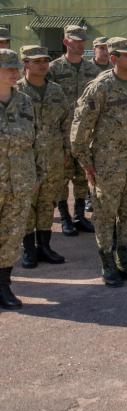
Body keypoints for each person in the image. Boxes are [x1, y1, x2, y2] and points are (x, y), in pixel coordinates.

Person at [71, 38, 127, 286]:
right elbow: (80, 130)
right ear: (114, 58)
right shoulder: (100, 87)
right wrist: (87, 164)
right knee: (106, 217)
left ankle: (125, 262)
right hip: (107, 167)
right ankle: (108, 265)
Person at [17, 46, 69, 268]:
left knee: (48, 202)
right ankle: (28, 249)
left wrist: (67, 150)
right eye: (36, 61)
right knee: (27, 204)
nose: (42, 64)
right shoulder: (15, 91)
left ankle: (45, 246)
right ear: (25, 63)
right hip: (24, 160)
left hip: (53, 157)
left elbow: (67, 121)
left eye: (45, 60)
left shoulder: (56, 91)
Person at [47, 25, 100, 235]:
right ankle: (65, 217)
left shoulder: (93, 71)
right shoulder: (53, 69)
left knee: (82, 176)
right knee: (61, 178)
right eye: (75, 40)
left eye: (82, 40)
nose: (79, 44)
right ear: (65, 41)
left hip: (85, 134)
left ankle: (79, 215)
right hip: (61, 132)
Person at [0, 49, 38, 308]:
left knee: (12, 235)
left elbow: (35, 139)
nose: (15, 73)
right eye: (8, 69)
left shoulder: (24, 101)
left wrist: (37, 174)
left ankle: (4, 284)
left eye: (16, 68)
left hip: (20, 180)